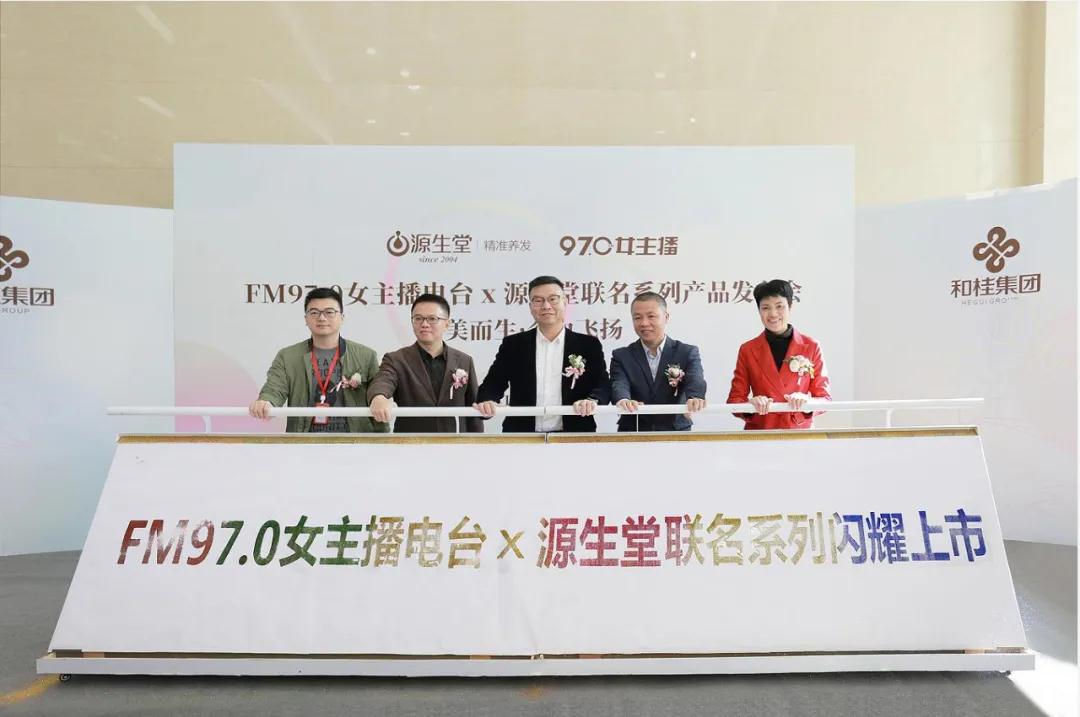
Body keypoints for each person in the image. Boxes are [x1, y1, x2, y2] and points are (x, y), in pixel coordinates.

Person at [474, 275, 610, 432]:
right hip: (523, 435)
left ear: (565, 302)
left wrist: (592, 400)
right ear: (530, 306)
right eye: (538, 300)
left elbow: (602, 384)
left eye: (553, 299)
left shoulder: (588, 345)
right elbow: (494, 382)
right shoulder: (514, 344)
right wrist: (487, 401)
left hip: (574, 435)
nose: (546, 306)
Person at [248, 287, 386, 433]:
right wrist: (266, 401)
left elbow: (378, 397)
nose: (322, 318)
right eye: (314, 312)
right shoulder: (288, 356)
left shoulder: (366, 356)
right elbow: (274, 389)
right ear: (306, 319)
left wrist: (383, 439)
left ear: (342, 317)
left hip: (354, 441)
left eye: (329, 312)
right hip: (304, 441)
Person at [367, 293, 483, 433]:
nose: (424, 324)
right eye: (418, 318)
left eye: (432, 319)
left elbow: (474, 408)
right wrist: (378, 397)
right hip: (411, 441)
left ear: (447, 324)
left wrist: (476, 442)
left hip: (454, 441)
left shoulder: (464, 361)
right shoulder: (396, 359)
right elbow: (383, 381)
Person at [726, 279, 830, 430]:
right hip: (761, 431)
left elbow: (824, 398)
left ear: (790, 307)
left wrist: (806, 402)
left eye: (779, 306)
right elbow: (735, 400)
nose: (773, 314)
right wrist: (751, 405)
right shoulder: (748, 349)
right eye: (766, 308)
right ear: (759, 311)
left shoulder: (811, 346)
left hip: (799, 432)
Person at [610, 292, 706, 431]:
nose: (644, 323)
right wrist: (624, 400)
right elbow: (619, 383)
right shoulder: (622, 355)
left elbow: (695, 380)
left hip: (676, 432)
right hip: (633, 431)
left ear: (666, 317)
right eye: (637, 318)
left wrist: (695, 397)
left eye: (651, 316)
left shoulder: (686, 352)